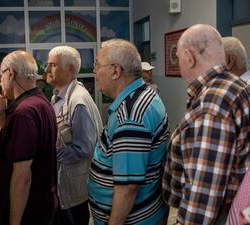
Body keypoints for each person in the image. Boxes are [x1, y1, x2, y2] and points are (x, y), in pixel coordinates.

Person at [162, 24, 250, 225]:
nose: (179, 64)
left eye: (179, 57)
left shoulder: (213, 103)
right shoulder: (235, 85)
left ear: (190, 57)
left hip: (221, 216)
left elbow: (203, 198)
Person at [87, 39, 170, 225]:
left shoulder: (130, 116)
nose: (94, 72)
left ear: (115, 71)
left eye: (97, 65)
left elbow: (128, 188)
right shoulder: (144, 93)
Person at [0, 50, 58, 225]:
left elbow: (22, 176)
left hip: (28, 211)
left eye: (1, 74)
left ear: (11, 73)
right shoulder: (41, 101)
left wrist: (14, 222)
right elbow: (15, 145)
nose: (0, 80)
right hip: (42, 204)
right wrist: (0, 115)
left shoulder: (24, 113)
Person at [45, 46, 103, 225]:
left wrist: (51, 155)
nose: (47, 70)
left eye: (53, 65)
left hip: (73, 192)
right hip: (64, 187)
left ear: (70, 69)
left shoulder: (77, 101)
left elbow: (85, 149)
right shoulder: (59, 96)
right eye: (48, 65)